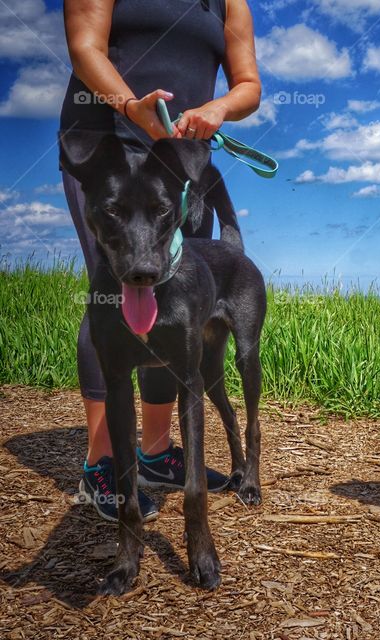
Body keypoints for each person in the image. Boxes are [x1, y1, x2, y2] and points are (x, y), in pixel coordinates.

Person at [59, 0, 262, 521]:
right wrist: (131, 107)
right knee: (112, 294)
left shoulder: (227, 2)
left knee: (176, 304)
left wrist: (218, 109)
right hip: (104, 152)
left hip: (178, 163)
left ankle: (154, 451)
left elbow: (248, 85)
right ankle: (104, 464)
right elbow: (84, 47)